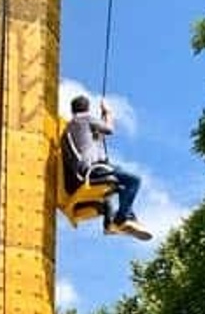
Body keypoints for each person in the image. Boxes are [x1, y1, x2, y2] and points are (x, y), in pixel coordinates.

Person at [64, 94, 151, 240]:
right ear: (87, 108)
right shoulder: (86, 119)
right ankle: (121, 219)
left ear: (73, 110)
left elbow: (96, 139)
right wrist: (108, 112)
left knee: (121, 186)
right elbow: (109, 130)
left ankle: (112, 222)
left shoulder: (72, 125)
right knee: (134, 180)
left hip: (85, 169)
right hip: (94, 169)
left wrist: (102, 119)